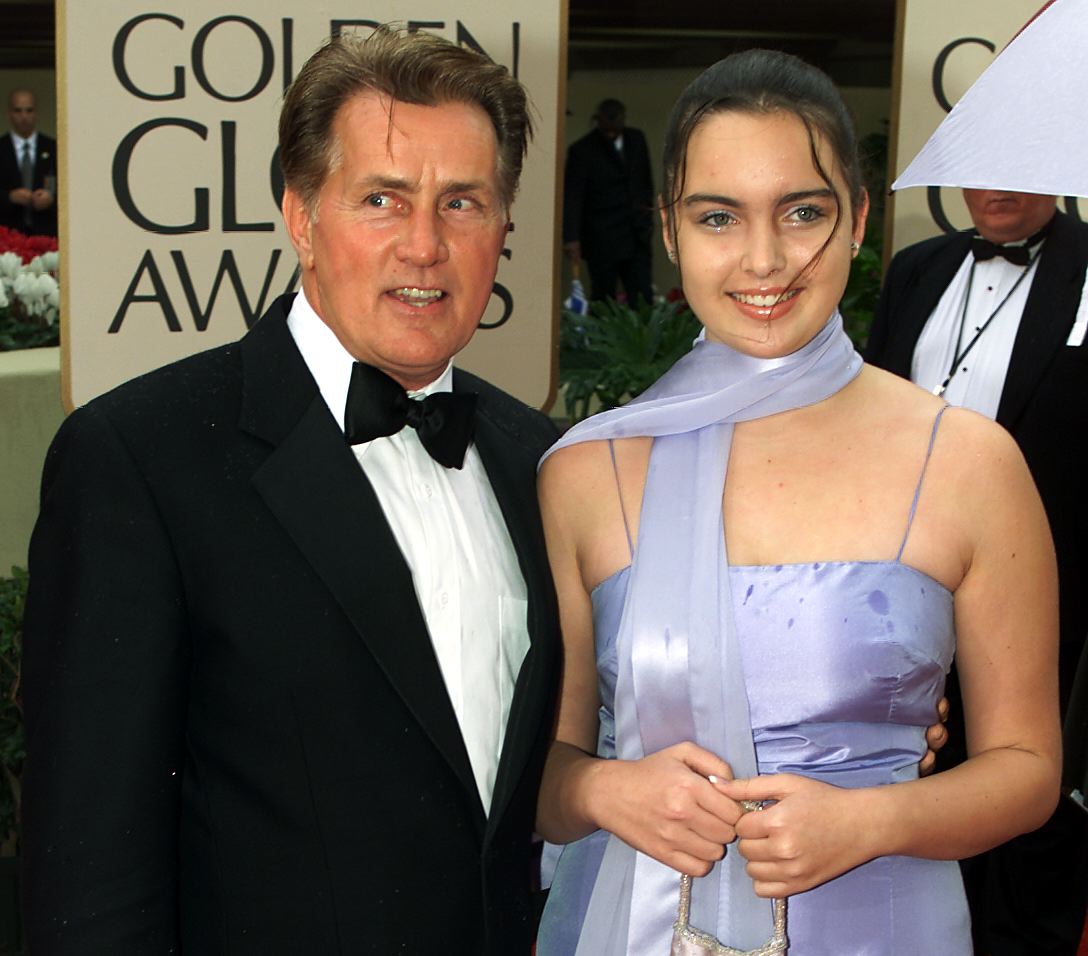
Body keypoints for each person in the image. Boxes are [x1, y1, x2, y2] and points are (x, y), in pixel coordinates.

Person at [21, 28, 559, 954]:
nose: (425, 246)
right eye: (382, 199)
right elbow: (89, 866)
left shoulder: (542, 461)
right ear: (301, 216)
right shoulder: (139, 460)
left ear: (504, 228)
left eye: (463, 202)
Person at [534, 50, 1061, 955]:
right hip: (627, 927)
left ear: (857, 219)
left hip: (885, 924)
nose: (764, 259)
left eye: (803, 212)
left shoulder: (970, 461)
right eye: (718, 217)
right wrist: (600, 791)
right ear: (669, 229)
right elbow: (537, 775)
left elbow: (1029, 769)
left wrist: (873, 823)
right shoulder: (587, 471)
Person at [867, 189, 1088, 955]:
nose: (995, 189)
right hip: (902, 582)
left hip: (1048, 588)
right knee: (917, 780)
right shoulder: (917, 268)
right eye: (980, 169)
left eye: (1017, 170)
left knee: (1034, 803)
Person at [562, 98, 655, 306]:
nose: (612, 131)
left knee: (642, 295)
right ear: (598, 120)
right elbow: (574, 196)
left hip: (636, 232)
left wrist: (647, 217)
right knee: (604, 297)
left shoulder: (636, 140)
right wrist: (572, 238)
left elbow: (644, 183)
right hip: (601, 236)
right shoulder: (582, 150)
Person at [0, 88, 57, 236]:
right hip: (8, 237)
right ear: (10, 114)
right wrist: (10, 197)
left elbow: (69, 188)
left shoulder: (53, 148)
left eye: (29, 110)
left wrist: (50, 199)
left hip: (46, 235)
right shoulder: (1, 148)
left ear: (36, 113)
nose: (24, 116)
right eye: (18, 111)